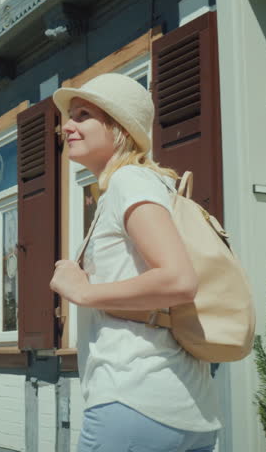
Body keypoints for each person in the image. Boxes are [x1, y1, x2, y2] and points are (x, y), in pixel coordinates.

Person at [49, 73, 221, 452]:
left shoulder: (129, 181)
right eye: (68, 117)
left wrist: (84, 291)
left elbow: (178, 280)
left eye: (82, 115)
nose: (67, 126)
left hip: (132, 399)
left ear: (119, 127)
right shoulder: (148, 185)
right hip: (186, 407)